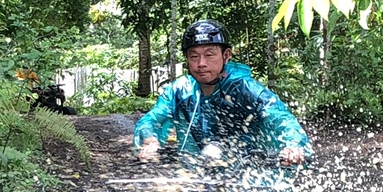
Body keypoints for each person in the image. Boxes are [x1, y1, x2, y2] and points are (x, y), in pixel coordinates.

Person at [133, 19, 310, 166]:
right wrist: (150, 141)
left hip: (250, 172)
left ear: (226, 55)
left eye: (209, 55)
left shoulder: (245, 88)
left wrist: (293, 146)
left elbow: (279, 117)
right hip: (197, 172)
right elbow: (152, 120)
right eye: (194, 56)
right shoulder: (179, 91)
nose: (201, 63)